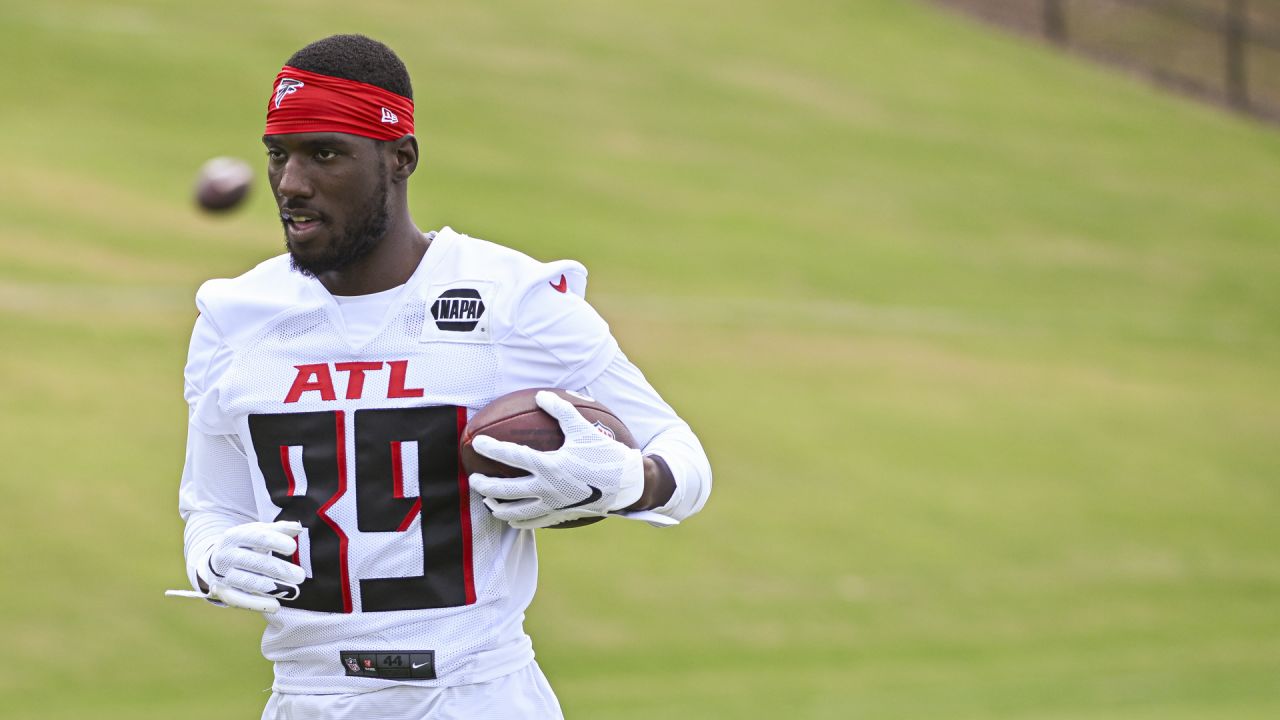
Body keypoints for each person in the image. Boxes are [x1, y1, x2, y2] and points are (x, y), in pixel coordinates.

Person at [177, 34, 712, 719]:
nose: (291, 183)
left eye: (325, 154)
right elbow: (212, 505)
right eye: (279, 155)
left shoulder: (509, 299)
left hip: (475, 694)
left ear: (400, 158)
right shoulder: (233, 317)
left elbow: (683, 456)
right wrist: (213, 559)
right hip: (307, 698)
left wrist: (635, 481)